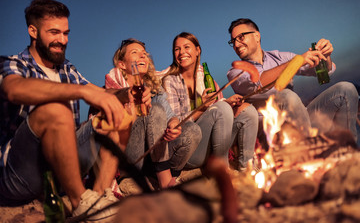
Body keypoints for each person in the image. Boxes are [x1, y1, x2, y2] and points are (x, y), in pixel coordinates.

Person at [0, 0, 136, 221]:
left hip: (62, 168)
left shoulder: (67, 70)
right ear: (33, 31)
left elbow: (98, 93)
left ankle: (101, 197)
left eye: (66, 33)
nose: (62, 40)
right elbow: (13, 89)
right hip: (21, 175)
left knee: (119, 113)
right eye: (54, 32)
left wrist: (124, 94)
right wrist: (80, 92)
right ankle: (80, 203)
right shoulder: (13, 64)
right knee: (56, 109)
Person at [227, 18, 359, 148]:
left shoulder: (280, 57)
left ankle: (348, 152)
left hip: (302, 120)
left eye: (241, 37)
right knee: (286, 95)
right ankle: (307, 154)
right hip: (274, 131)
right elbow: (258, 83)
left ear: (256, 36)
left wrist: (325, 55)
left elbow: (325, 71)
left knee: (345, 89)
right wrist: (296, 61)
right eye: (233, 41)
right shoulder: (235, 72)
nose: (236, 45)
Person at [104, 38, 201, 188]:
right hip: (131, 155)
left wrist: (174, 125)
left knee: (192, 130)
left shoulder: (154, 87)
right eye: (135, 52)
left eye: (144, 53)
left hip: (154, 158)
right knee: (154, 109)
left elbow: (170, 116)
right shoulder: (113, 88)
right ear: (122, 64)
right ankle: (165, 182)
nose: (143, 56)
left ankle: (166, 176)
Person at [162, 32, 259, 169]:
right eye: (177, 49)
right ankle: (222, 172)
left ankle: (248, 169)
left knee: (248, 111)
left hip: (211, 143)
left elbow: (218, 111)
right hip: (189, 150)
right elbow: (176, 124)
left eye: (186, 47)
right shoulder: (171, 81)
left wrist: (228, 102)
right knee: (222, 108)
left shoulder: (205, 78)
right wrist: (202, 108)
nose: (181, 52)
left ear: (198, 50)